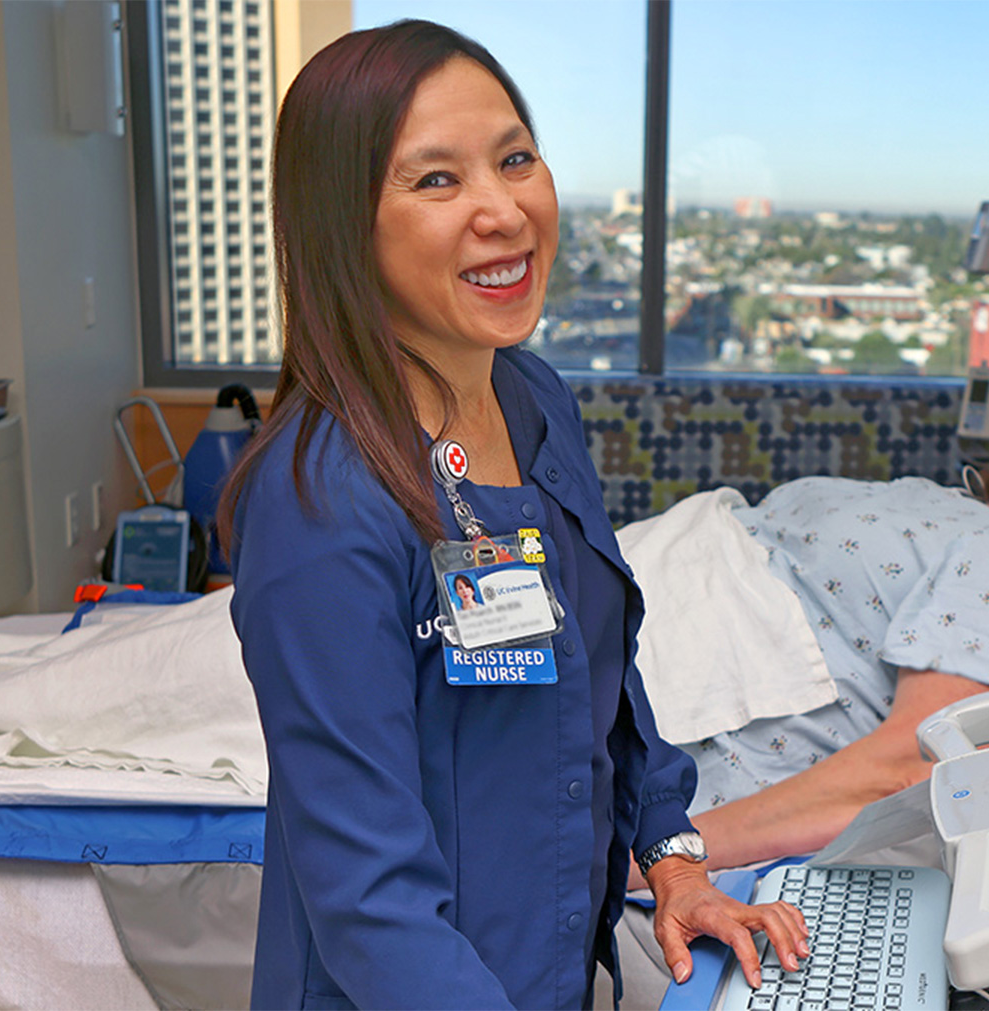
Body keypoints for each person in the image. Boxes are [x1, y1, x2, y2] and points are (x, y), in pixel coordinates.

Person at [220, 19, 806, 1011]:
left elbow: (598, 673)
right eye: (435, 180)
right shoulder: (321, 502)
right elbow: (370, 904)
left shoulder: (532, 399)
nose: (504, 210)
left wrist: (674, 861)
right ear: (342, 224)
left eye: (515, 159)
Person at [617, 429, 989, 1007]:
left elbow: (915, 772)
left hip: (604, 696)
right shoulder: (934, 501)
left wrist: (654, 861)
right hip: (592, 605)